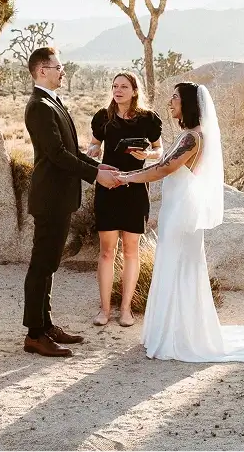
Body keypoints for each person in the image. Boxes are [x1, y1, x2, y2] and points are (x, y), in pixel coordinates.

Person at [115, 81, 244, 362]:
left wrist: (126, 178)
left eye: (175, 98)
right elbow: (167, 161)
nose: (171, 102)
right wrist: (145, 157)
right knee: (177, 264)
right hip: (178, 206)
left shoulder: (191, 138)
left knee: (178, 265)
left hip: (181, 211)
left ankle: (177, 336)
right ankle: (176, 331)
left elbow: (165, 168)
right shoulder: (190, 135)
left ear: (188, 103)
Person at [22, 47, 120, 358]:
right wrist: (95, 177)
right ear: (42, 71)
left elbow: (71, 150)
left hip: (59, 197)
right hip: (50, 197)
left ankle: (45, 324)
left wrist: (99, 166)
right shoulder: (38, 106)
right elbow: (56, 155)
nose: (63, 71)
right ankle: (35, 334)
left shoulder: (52, 101)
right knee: (42, 265)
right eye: (58, 67)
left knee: (49, 263)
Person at [87, 72, 163, 327]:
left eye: (123, 86)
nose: (117, 90)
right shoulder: (103, 117)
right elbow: (94, 144)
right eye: (114, 86)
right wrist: (94, 150)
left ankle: (126, 309)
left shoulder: (148, 119)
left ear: (134, 91)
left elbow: (159, 149)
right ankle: (104, 310)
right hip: (108, 187)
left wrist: (148, 155)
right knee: (107, 252)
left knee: (131, 252)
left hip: (135, 188)